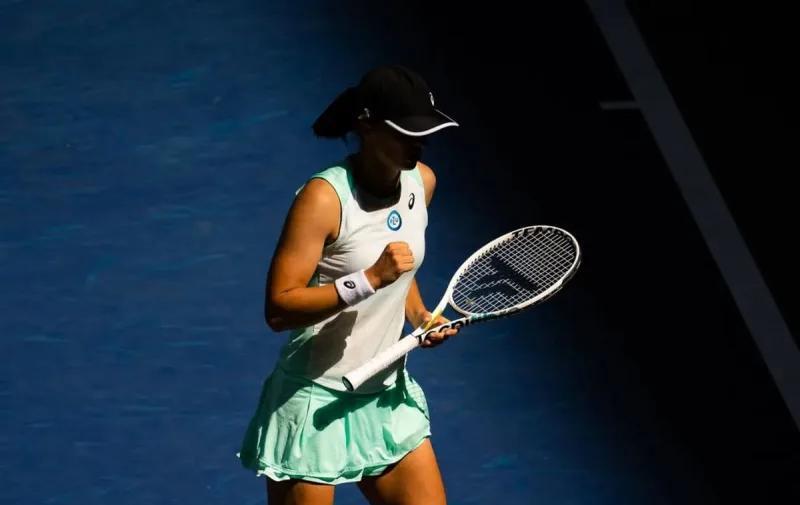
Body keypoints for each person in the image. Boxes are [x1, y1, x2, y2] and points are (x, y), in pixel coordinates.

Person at [237, 64, 460, 505]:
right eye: (406, 132)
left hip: (386, 396)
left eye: (425, 132)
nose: (419, 142)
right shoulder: (323, 199)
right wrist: (368, 279)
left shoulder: (422, 182)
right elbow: (279, 309)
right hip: (315, 400)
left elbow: (402, 270)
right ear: (367, 125)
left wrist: (420, 316)